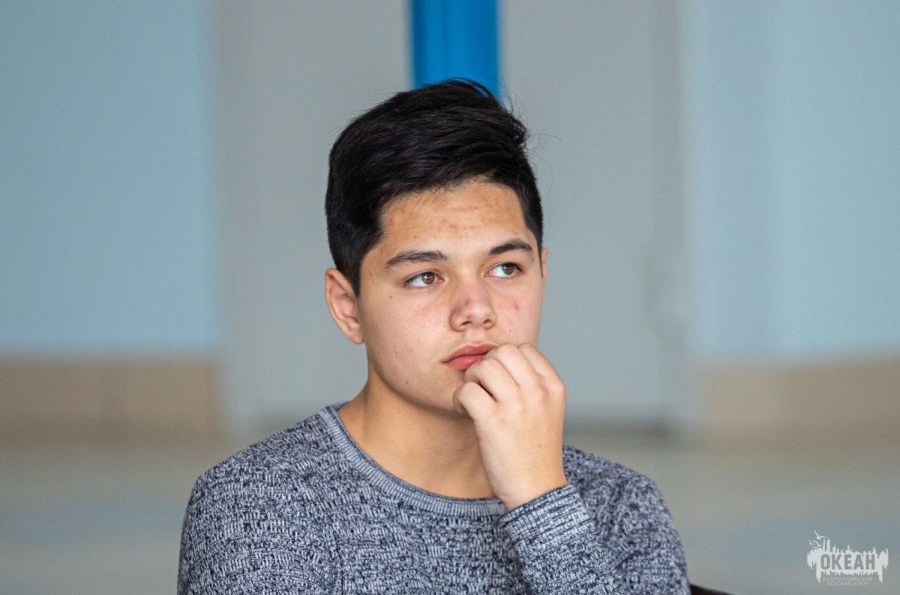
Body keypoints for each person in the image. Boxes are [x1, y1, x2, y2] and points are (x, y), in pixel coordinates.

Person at [178, 79, 689, 594]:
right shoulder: (259, 504)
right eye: (425, 277)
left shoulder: (620, 506)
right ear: (348, 307)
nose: (476, 311)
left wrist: (542, 502)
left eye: (506, 268)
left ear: (542, 274)